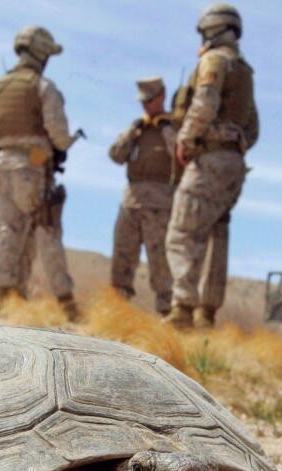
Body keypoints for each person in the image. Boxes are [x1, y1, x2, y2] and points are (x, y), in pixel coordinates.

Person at [164, 4, 258, 330]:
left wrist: (186, 140)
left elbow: (204, 104)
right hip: (235, 163)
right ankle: (206, 315)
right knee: (217, 235)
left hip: (211, 159)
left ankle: (182, 310)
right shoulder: (245, 72)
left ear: (211, 30)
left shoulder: (214, 61)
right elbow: (254, 127)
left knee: (183, 232)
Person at [0, 26, 80, 322]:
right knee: (47, 231)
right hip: (31, 170)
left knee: (7, 230)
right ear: (41, 53)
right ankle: (66, 302)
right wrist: (67, 143)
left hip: (0, 168)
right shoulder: (43, 87)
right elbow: (57, 133)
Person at [107, 77, 176, 315]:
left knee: (161, 262)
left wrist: (167, 128)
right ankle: (116, 310)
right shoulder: (138, 128)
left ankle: (167, 312)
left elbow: (181, 156)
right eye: (143, 102)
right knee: (122, 256)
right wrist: (132, 132)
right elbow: (115, 155)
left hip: (160, 203)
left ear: (162, 97)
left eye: (150, 100)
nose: (145, 106)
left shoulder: (174, 126)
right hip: (131, 201)